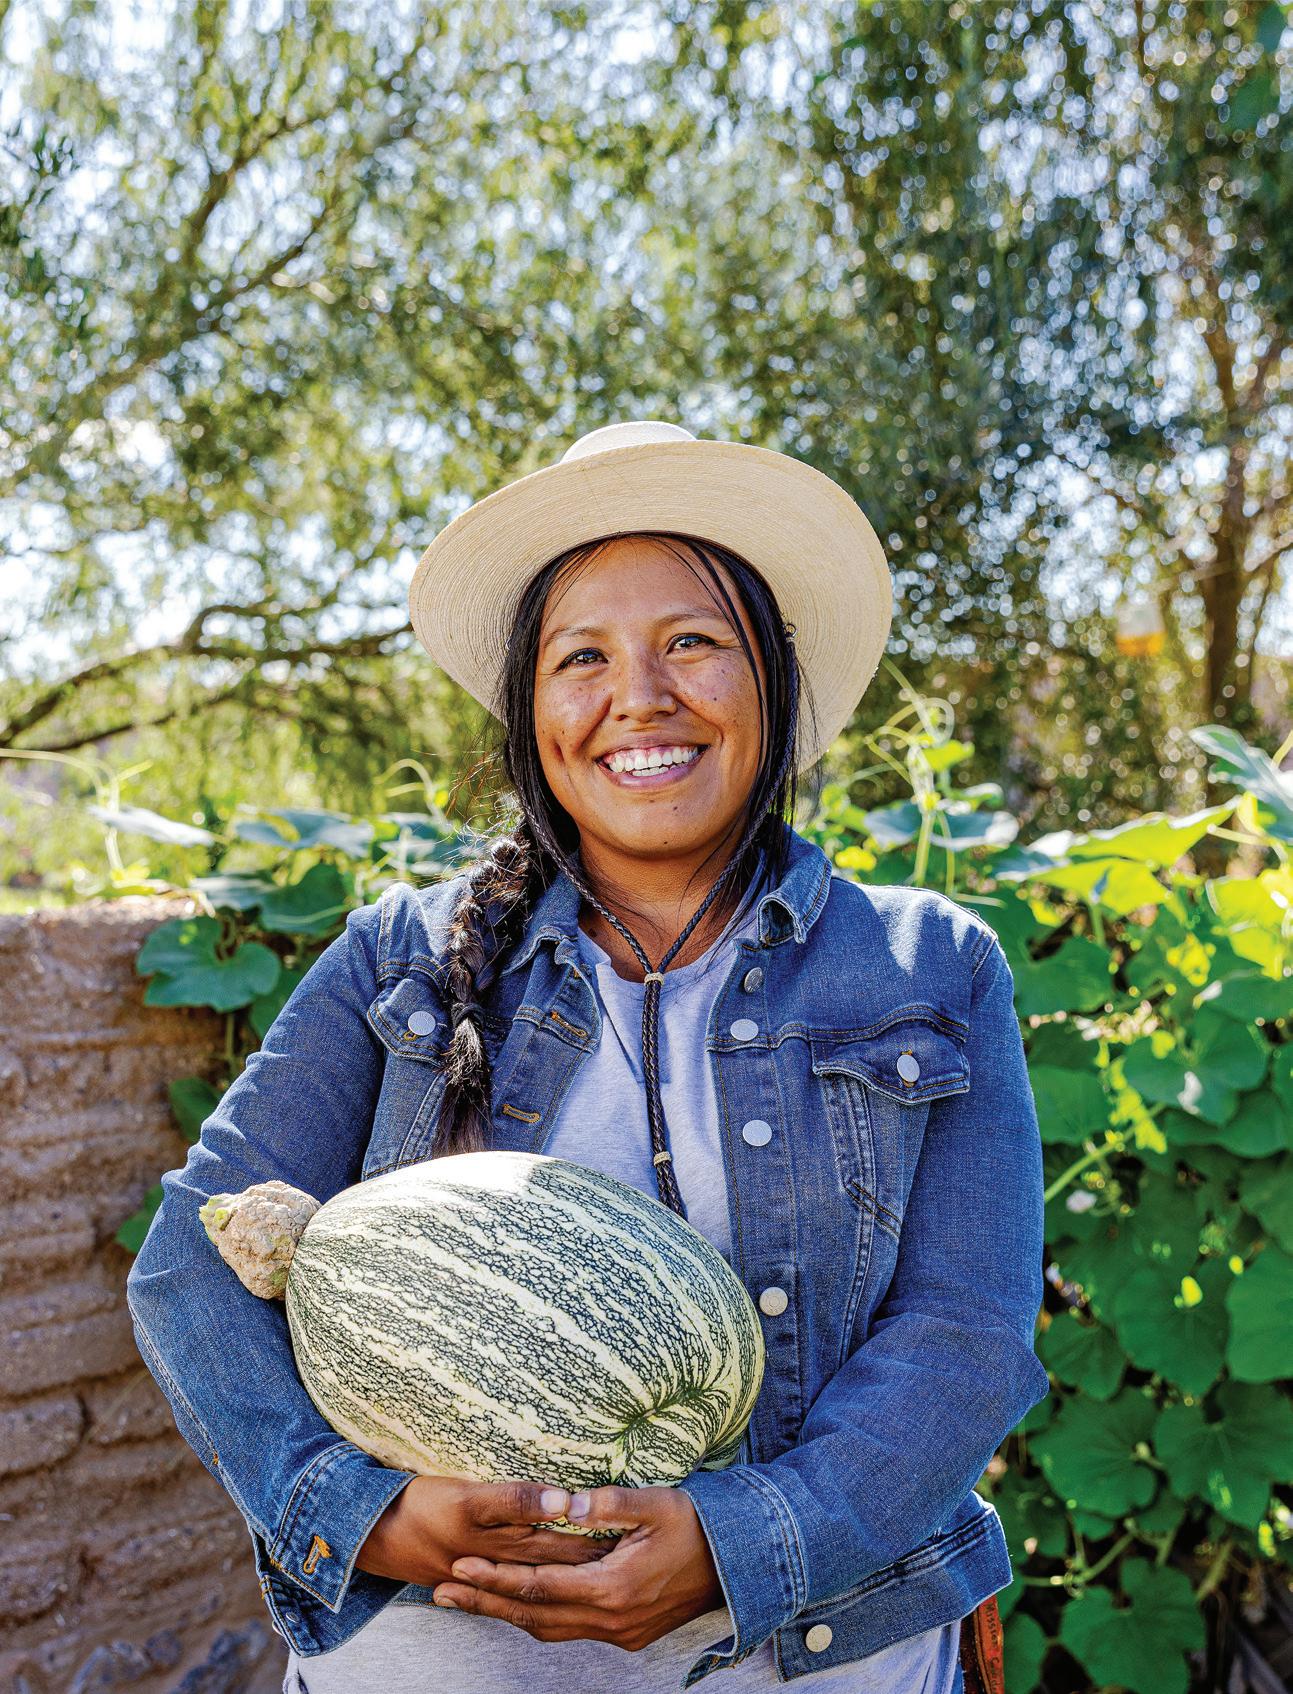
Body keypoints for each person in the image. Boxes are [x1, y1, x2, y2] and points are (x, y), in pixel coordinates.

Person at [126, 419, 1048, 1694]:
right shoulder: (399, 954)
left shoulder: (930, 967)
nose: (640, 697)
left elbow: (968, 1327)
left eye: (692, 642)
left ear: (771, 679)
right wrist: (371, 1515)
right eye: (582, 657)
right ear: (532, 709)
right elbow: (191, 1255)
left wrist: (744, 1543)